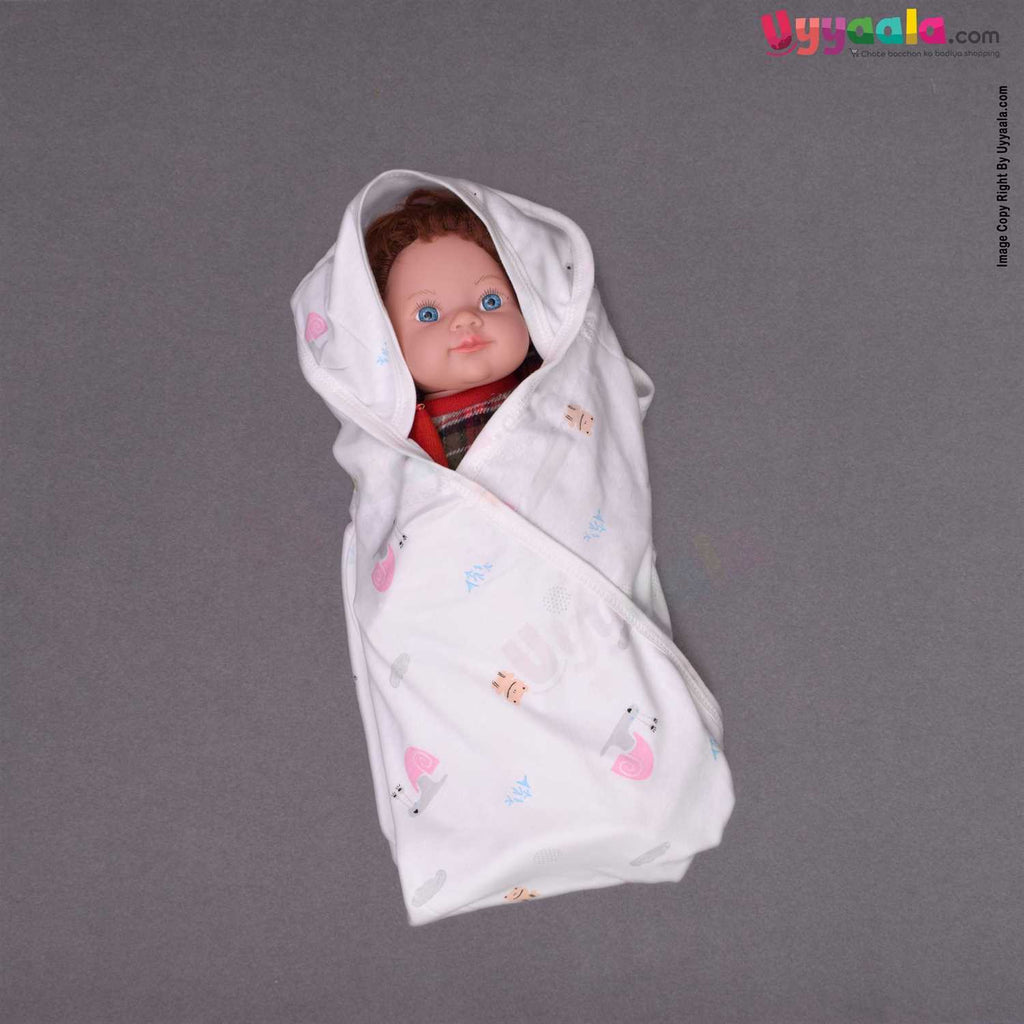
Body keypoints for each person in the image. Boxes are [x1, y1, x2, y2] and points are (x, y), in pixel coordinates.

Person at [364, 187, 543, 470]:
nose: (464, 318)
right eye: (428, 314)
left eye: (491, 301)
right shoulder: (400, 437)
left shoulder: (554, 386)